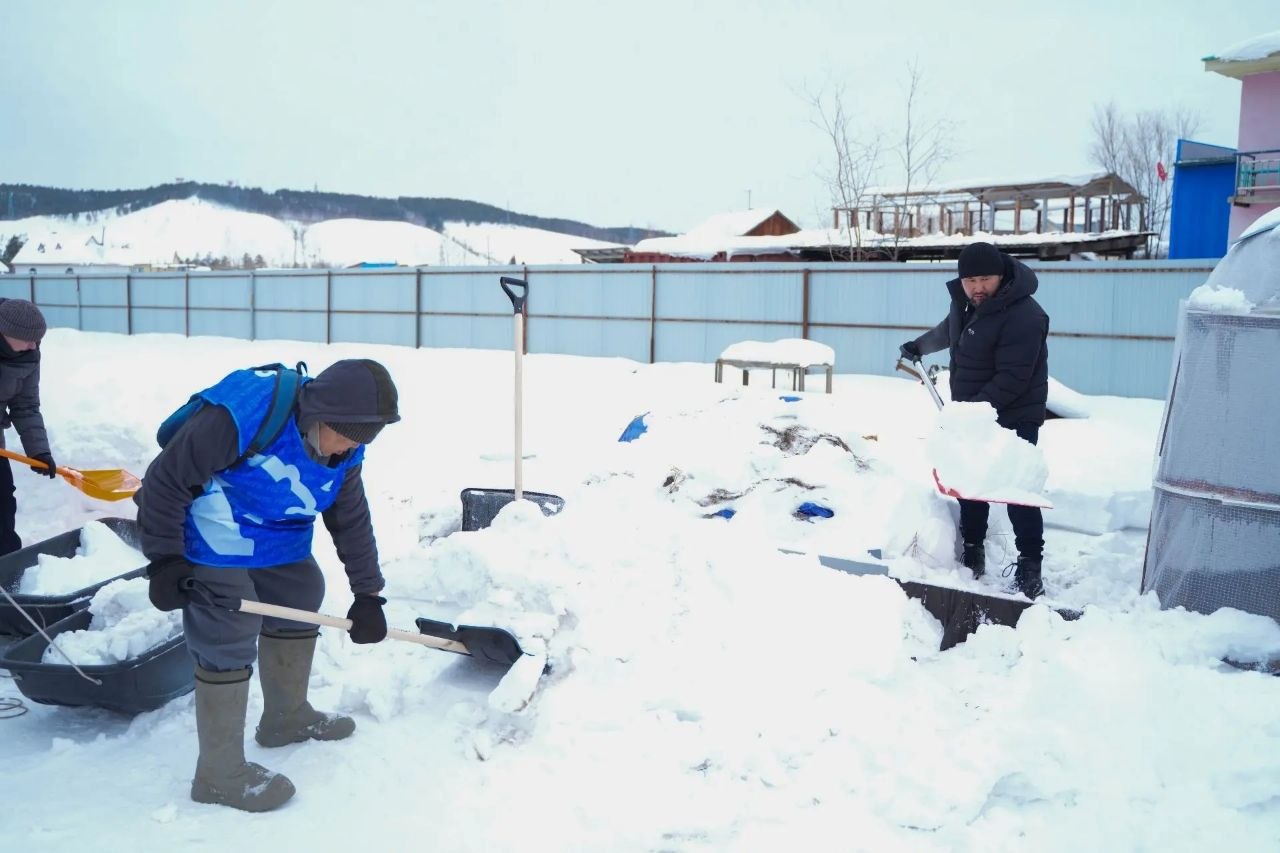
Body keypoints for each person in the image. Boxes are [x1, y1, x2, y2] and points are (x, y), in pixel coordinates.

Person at [136, 358, 400, 812]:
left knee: (301, 590)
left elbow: (350, 516)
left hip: (274, 525)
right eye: (346, 437)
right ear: (320, 417)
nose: (349, 449)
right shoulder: (241, 415)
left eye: (361, 441)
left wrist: (368, 594)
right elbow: (166, 479)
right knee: (228, 621)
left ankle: (285, 718)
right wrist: (165, 561)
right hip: (214, 521)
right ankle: (217, 774)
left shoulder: (345, 448)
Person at [899, 242, 1049, 598]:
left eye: (985, 279)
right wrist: (920, 345)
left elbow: (1013, 378)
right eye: (970, 281)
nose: (978, 287)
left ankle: (1030, 565)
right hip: (972, 412)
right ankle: (973, 549)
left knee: (1016, 490)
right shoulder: (966, 303)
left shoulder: (1026, 315)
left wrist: (969, 415)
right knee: (970, 482)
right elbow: (950, 329)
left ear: (1001, 276)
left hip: (1015, 414)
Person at [0, 298, 57, 555]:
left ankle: (7, 564)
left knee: (3, 500)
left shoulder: (29, 356)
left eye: (38, 340)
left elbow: (26, 405)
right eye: (28, 340)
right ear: (6, 333)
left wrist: (38, 452)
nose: (34, 345)